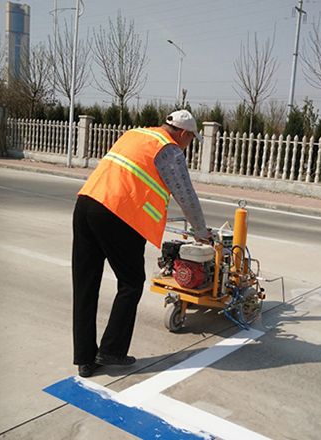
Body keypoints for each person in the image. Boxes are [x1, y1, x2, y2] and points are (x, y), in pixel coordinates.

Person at [72, 109, 212, 377]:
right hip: (116, 214)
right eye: (191, 140)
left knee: (85, 284)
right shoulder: (169, 150)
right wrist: (201, 230)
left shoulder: (135, 134)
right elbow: (186, 196)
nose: (188, 145)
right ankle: (111, 349)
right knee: (131, 282)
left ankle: (85, 360)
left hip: (86, 204)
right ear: (184, 133)